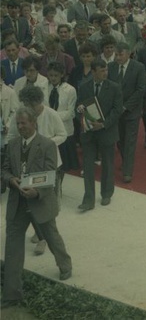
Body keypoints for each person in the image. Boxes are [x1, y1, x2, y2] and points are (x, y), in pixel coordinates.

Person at [1, 107, 73, 307]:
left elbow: (51, 174)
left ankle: (65, 264)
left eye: (24, 123)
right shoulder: (12, 144)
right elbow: (5, 170)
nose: (20, 126)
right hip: (17, 204)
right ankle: (11, 296)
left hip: (40, 202)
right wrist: (11, 181)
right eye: (18, 123)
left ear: (34, 124)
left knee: (51, 236)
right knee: (13, 249)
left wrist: (37, 192)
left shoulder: (48, 145)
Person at [76, 59, 123, 211]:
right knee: (88, 166)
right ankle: (88, 199)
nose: (105, 73)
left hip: (106, 131)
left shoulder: (115, 88)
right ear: (93, 72)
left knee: (108, 164)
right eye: (102, 71)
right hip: (89, 133)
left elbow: (117, 111)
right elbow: (78, 107)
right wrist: (83, 119)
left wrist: (103, 124)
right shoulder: (83, 87)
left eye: (106, 70)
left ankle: (106, 193)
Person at [109, 43, 145, 183]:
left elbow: (140, 89)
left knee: (130, 141)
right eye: (116, 55)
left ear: (129, 53)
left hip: (131, 111)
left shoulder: (138, 67)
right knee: (119, 139)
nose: (117, 57)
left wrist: (125, 107)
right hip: (115, 112)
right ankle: (125, 161)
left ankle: (127, 171)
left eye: (120, 54)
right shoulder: (111, 67)